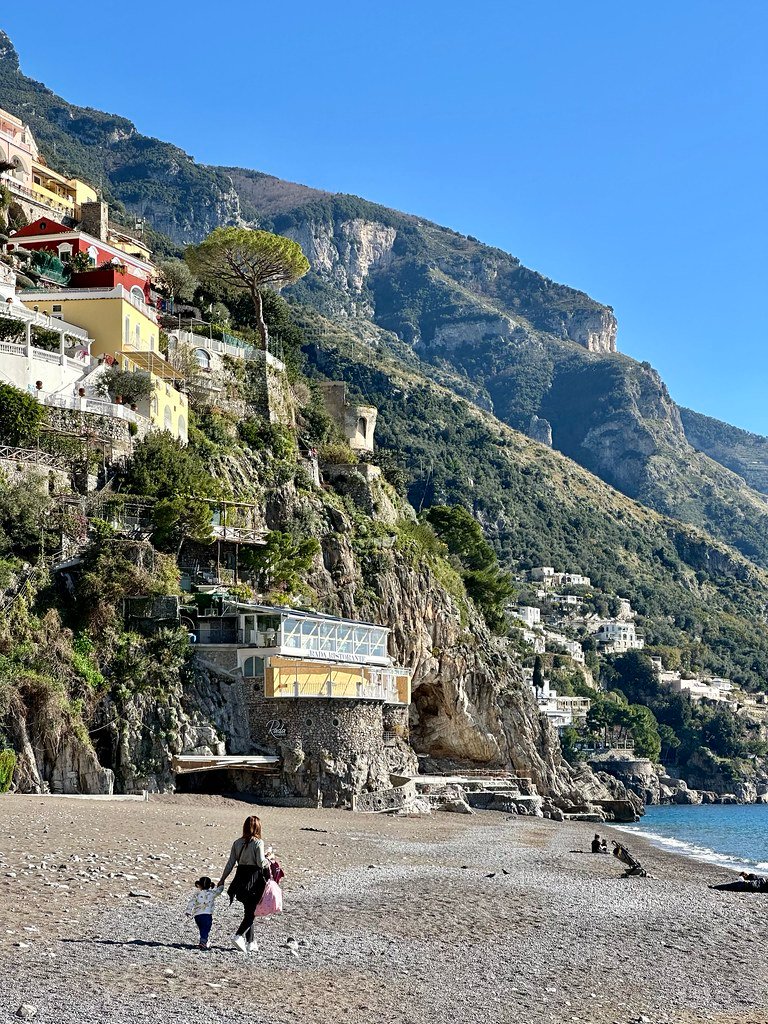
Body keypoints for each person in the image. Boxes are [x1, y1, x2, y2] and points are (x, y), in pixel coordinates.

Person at [217, 815, 270, 953]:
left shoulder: (237, 843)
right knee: (251, 913)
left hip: (240, 880)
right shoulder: (258, 843)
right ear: (258, 827)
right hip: (254, 881)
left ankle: (251, 942)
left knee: (248, 910)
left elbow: (230, 863)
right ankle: (238, 936)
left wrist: (222, 879)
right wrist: (268, 859)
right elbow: (260, 863)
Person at [185, 876, 224, 950]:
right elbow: (219, 891)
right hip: (207, 915)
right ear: (210, 885)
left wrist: (188, 911)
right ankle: (203, 943)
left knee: (202, 929)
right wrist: (221, 884)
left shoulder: (197, 894)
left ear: (199, 885)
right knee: (206, 929)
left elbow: (191, 902)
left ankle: (204, 941)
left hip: (197, 916)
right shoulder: (212, 893)